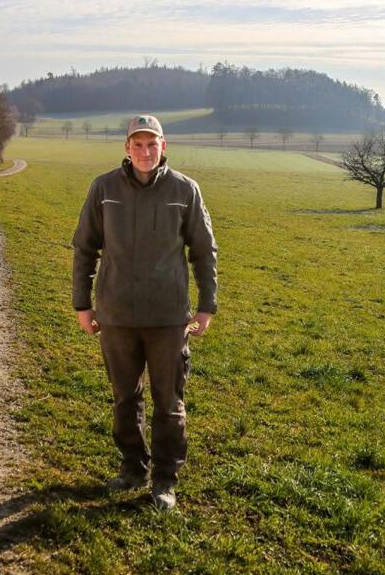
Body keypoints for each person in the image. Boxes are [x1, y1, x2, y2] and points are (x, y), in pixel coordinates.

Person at [71, 115, 218, 510]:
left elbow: (204, 252)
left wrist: (207, 306)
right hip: (116, 315)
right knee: (124, 399)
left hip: (169, 317)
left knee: (168, 402)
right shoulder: (103, 189)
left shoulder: (185, 190)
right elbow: (85, 248)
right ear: (127, 148)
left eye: (152, 144)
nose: (145, 152)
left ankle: (165, 481)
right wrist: (83, 305)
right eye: (137, 144)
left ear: (163, 147)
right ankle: (132, 468)